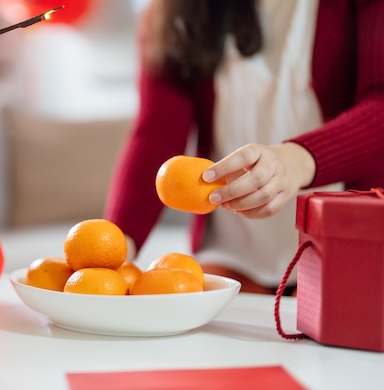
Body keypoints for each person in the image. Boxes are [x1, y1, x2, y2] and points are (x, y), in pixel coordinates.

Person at [104, 0, 384, 294]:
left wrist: (296, 160)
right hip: (231, 257)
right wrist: (113, 247)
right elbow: (156, 134)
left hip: (347, 249)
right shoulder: (172, 13)